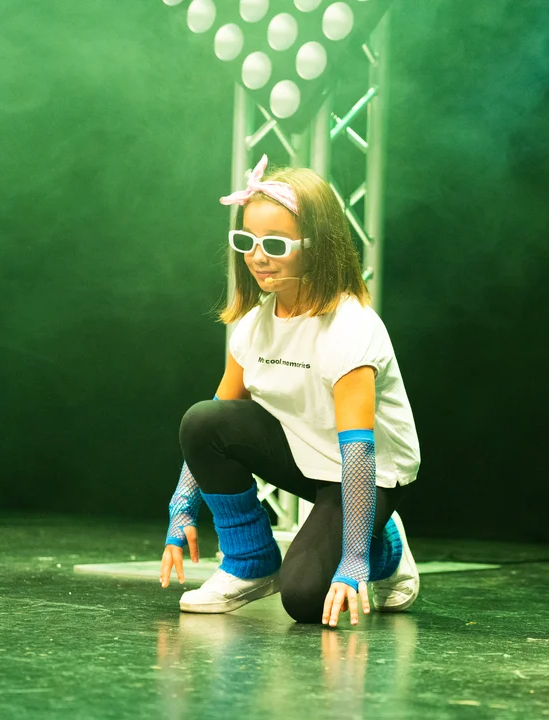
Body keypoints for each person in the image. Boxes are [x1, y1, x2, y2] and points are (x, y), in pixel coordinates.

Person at [159, 155, 421, 627]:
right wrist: (182, 509)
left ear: (316, 246)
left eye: (276, 244)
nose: (257, 257)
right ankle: (249, 561)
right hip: (304, 456)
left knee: (304, 598)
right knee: (204, 420)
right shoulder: (254, 325)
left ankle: (386, 548)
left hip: (367, 475)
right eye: (246, 242)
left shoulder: (349, 328)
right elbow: (214, 422)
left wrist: (354, 560)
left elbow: (359, 453)